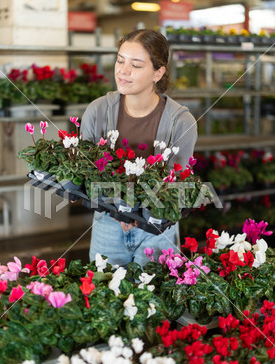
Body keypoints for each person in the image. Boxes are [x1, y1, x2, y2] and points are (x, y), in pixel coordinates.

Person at [81, 29, 197, 267]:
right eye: (120, 60)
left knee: (155, 300)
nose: (123, 71)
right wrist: (119, 210)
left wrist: (137, 214)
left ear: (158, 72)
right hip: (107, 224)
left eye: (135, 65)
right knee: (105, 298)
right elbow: (84, 171)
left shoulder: (181, 122)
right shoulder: (98, 111)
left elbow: (175, 187)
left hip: (157, 229)